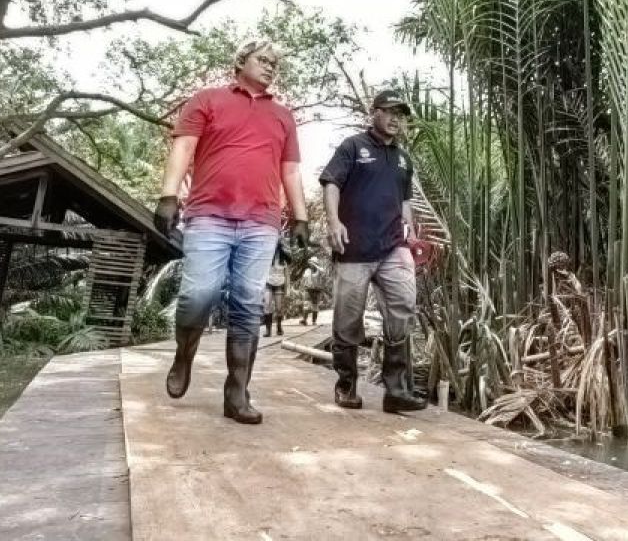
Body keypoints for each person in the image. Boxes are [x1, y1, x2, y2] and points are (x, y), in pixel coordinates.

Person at [152, 39, 310, 425]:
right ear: (241, 62)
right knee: (199, 293)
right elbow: (184, 148)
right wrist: (169, 195)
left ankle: (237, 391)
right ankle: (184, 354)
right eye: (263, 59)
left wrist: (301, 217)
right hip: (209, 215)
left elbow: (290, 171)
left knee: (248, 303)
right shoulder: (207, 100)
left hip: (261, 222)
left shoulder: (283, 116)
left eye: (275, 63)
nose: (270, 67)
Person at [319, 89, 427, 413]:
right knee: (348, 319)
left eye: (401, 114)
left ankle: (396, 391)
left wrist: (410, 234)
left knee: (403, 306)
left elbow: (404, 201)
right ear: (375, 112)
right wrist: (334, 222)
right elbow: (331, 183)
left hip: (394, 247)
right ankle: (347, 385)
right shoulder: (353, 146)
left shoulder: (403, 158)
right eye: (390, 111)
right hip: (354, 248)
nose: (397, 119)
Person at [263, 243, 289, 337]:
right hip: (268, 283)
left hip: (280, 284)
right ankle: (268, 330)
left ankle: (279, 326)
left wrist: (287, 289)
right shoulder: (267, 257)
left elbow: (287, 276)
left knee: (279, 308)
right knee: (267, 305)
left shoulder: (284, 260)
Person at [299, 256, 325, 325]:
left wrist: (315, 265)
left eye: (312, 263)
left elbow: (322, 271)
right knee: (306, 304)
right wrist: (302, 287)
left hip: (317, 290)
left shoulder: (319, 270)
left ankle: (314, 321)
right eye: (311, 263)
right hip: (308, 289)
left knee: (315, 306)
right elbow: (304, 279)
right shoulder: (307, 270)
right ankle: (304, 320)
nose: (311, 264)